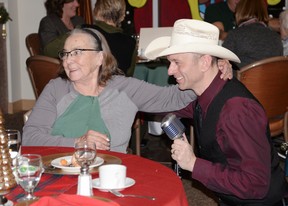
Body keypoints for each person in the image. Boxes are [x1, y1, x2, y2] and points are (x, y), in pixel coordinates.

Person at [144, 18, 288, 206]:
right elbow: (160, 103)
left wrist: (193, 164)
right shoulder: (203, 97)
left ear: (204, 62)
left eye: (176, 62)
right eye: (170, 63)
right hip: (235, 205)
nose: (170, 71)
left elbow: (256, 184)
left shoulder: (237, 110)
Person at [22, 27, 232, 154]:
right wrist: (77, 142)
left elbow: (173, 98)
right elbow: (30, 138)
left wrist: (209, 72)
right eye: (65, 54)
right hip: (60, 174)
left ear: (99, 57)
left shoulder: (124, 88)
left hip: (109, 179)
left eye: (77, 52)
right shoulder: (57, 88)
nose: (68, 60)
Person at [222, 0, 283, 70]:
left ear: (239, 12)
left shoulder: (235, 35)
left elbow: (222, 64)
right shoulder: (276, 37)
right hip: (273, 80)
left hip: (243, 80)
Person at [82, 0, 137, 77]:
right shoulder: (131, 43)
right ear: (122, 16)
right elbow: (129, 76)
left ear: (96, 12)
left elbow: (59, 47)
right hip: (117, 87)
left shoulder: (83, 31)